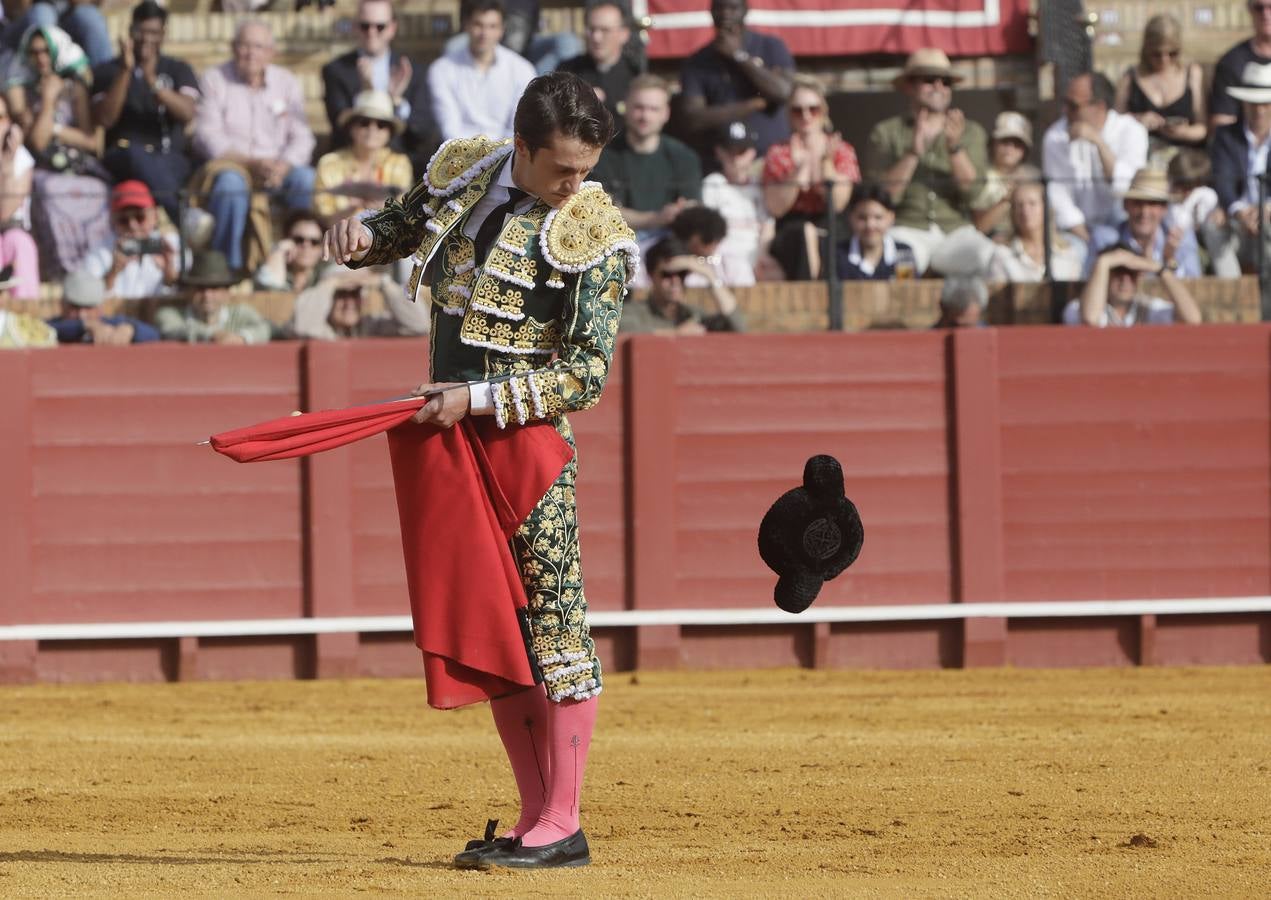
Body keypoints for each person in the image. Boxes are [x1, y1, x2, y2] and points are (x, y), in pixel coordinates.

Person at [323, 71, 637, 870]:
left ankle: (562, 821)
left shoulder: (596, 234)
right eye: (561, 169)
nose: (577, 187)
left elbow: (585, 377)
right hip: (451, 435)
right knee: (500, 626)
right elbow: (403, 224)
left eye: (586, 168)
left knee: (554, 624)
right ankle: (536, 816)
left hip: (523, 446)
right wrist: (363, 232)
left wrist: (478, 399)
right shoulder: (466, 169)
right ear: (520, 147)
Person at [192, 20, 316, 275]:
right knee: (230, 186)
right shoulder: (214, 80)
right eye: (244, 45)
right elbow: (207, 137)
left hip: (277, 168)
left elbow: (303, 137)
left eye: (258, 47)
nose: (250, 53)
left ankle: (295, 262)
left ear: (271, 52)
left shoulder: (286, 83)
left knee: (306, 178)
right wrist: (250, 163)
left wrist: (283, 165)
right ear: (233, 48)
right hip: (234, 165)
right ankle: (228, 268)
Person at [866, 48, 988, 272]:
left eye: (946, 81)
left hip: (954, 231)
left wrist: (955, 148)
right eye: (930, 80)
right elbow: (883, 198)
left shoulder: (971, 132)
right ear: (909, 86)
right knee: (899, 266)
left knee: (985, 257)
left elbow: (974, 193)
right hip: (906, 229)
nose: (939, 87)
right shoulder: (886, 132)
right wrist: (913, 153)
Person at [90, 1, 198, 223]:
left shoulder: (178, 69)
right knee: (135, 154)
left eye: (153, 32)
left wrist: (152, 81)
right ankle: (185, 217)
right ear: (131, 30)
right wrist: (126, 71)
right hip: (122, 157)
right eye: (141, 31)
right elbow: (106, 119)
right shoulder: (107, 71)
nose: (146, 38)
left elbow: (188, 113)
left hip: (169, 158)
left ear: (163, 34)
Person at [322, 0, 439, 177]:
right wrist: (366, 93)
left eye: (380, 26)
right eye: (365, 26)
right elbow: (340, 126)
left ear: (392, 28)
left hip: (404, 170)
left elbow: (422, 132)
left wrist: (396, 102)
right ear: (354, 27)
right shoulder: (336, 70)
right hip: (352, 171)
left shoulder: (413, 71)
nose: (371, 32)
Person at [677, 0, 794, 167]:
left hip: (771, 162)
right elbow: (693, 118)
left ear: (745, 10)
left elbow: (783, 92)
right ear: (711, 11)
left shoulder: (771, 46)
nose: (726, 14)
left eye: (733, 7)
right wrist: (754, 104)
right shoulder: (697, 62)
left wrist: (738, 55)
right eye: (720, 7)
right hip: (720, 165)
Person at [762, 75, 857, 278]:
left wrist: (826, 166)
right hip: (791, 228)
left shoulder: (840, 149)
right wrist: (799, 170)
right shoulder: (778, 152)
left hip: (831, 224)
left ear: (823, 112)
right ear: (789, 114)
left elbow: (837, 203)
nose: (806, 116)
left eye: (813, 109)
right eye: (798, 110)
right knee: (803, 234)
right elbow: (776, 207)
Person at [590, 74, 701, 240]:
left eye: (653, 109)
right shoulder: (602, 155)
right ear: (625, 107)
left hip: (668, 244)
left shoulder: (684, 157)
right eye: (639, 107)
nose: (645, 116)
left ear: (666, 113)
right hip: (614, 240)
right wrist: (655, 219)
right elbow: (603, 212)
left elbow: (691, 208)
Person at [1043, 71, 1149, 242]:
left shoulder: (1132, 131)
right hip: (1077, 231)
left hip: (1125, 226)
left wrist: (1098, 142)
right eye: (1065, 103)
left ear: (1100, 106)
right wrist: (1087, 239)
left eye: (1073, 105)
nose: (1066, 111)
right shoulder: (1055, 136)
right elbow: (1057, 194)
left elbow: (1127, 189)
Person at [428, 0, 536, 142]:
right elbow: (449, 128)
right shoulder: (441, 70)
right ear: (466, 25)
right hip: (458, 156)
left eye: (492, 26)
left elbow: (516, 128)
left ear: (502, 30)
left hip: (508, 156)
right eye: (478, 25)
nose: (484, 33)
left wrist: (499, 158)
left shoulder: (522, 70)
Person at [1209, 61, 1271, 278]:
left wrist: (1266, 209)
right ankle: (1234, 293)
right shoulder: (1226, 136)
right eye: (1254, 103)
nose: (1260, 109)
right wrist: (1239, 210)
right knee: (1212, 226)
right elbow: (1222, 178)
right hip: (1237, 219)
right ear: (1244, 104)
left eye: (1265, 103)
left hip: (1268, 218)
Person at [1114, 14, 1206, 161]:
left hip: (1184, 163)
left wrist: (1182, 132)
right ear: (1146, 49)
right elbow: (1115, 124)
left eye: (1172, 53)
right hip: (1143, 159)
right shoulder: (1130, 78)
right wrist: (1138, 119)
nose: (1165, 59)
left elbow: (1203, 128)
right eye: (1156, 54)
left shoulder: (1193, 73)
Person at [314, 90, 412, 224]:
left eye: (381, 124)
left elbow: (403, 216)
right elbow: (321, 221)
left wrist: (381, 208)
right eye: (364, 122)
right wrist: (352, 209)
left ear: (389, 132)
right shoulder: (329, 164)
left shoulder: (399, 163)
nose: (372, 129)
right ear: (351, 127)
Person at [77, 179, 180, 300]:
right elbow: (89, 301)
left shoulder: (173, 246)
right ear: (113, 221)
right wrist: (113, 272)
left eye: (140, 217)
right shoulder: (99, 252)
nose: (132, 225)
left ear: (155, 216)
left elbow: (186, 299)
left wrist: (169, 273)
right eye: (123, 220)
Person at [700, 121, 776, 283]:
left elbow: (767, 228)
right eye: (730, 151)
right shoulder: (712, 184)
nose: (735, 158)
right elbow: (709, 234)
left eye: (741, 152)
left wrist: (761, 257)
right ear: (719, 152)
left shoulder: (760, 187)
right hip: (722, 261)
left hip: (755, 259)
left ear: (752, 153)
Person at [620, 235, 742, 333]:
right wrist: (678, 333)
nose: (675, 281)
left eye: (682, 274)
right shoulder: (634, 312)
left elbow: (738, 327)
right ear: (651, 275)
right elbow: (626, 333)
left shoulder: (694, 314)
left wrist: (709, 275)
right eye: (667, 275)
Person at [1065, 245, 1200, 327]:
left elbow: (1192, 319)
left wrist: (1160, 269)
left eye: (1132, 273)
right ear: (1104, 276)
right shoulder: (1077, 308)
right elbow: (1090, 319)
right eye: (1117, 272)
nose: (1125, 279)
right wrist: (1103, 263)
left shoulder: (1147, 308)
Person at [155, 249, 271, 343]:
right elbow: (171, 330)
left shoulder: (241, 313)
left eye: (214, 288)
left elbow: (265, 328)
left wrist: (242, 338)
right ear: (188, 291)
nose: (207, 295)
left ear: (227, 293)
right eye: (200, 288)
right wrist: (212, 335)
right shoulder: (170, 315)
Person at [986, 180, 1086, 282]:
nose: (1025, 211)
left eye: (1032, 204)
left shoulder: (1067, 253)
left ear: (1046, 208)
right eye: (1019, 205)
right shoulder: (1002, 254)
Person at [556, 1, 639, 121]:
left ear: (624, 34)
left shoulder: (634, 74)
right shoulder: (567, 72)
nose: (596, 37)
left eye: (605, 30)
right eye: (592, 29)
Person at [284, 275, 428, 340]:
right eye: (340, 295)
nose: (349, 303)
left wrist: (384, 283)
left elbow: (419, 325)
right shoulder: (320, 329)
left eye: (355, 295)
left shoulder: (372, 326)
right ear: (328, 300)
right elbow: (302, 327)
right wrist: (329, 284)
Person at [970, 111, 1040, 238]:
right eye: (1004, 141)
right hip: (994, 238)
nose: (1010, 147)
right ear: (993, 144)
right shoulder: (982, 176)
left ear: (1025, 149)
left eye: (1017, 143)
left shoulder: (1034, 176)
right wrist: (1008, 199)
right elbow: (980, 228)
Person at [47, 268, 158, 343]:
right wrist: (83, 326)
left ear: (100, 308)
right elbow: (46, 330)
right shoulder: (53, 326)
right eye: (75, 307)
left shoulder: (111, 324)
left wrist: (132, 330)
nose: (82, 314)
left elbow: (154, 335)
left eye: (88, 307)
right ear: (62, 305)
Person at [833, 182, 916, 281]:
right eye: (862, 218)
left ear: (891, 217)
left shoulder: (903, 253)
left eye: (878, 217)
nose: (870, 225)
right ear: (851, 217)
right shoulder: (838, 254)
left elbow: (907, 292)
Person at [0, 92, 39, 298]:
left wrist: (6, 165)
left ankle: (26, 315)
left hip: (12, 232)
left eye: (1, 117)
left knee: (19, 242)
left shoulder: (21, 157)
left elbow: (4, 211)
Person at [1210, 0, 1271, 131]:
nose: (1266, 13)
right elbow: (1222, 122)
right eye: (1259, 8)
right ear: (1250, 10)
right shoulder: (1231, 62)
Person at [668, 204, 752, 287]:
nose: (690, 248)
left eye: (695, 244)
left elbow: (744, 294)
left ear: (713, 242)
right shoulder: (673, 255)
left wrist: (709, 276)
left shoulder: (733, 261)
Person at [254, 210, 332, 293]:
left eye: (314, 242)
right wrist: (279, 251)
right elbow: (268, 292)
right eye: (299, 240)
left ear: (322, 248)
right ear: (286, 241)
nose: (306, 246)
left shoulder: (327, 272)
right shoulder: (273, 265)